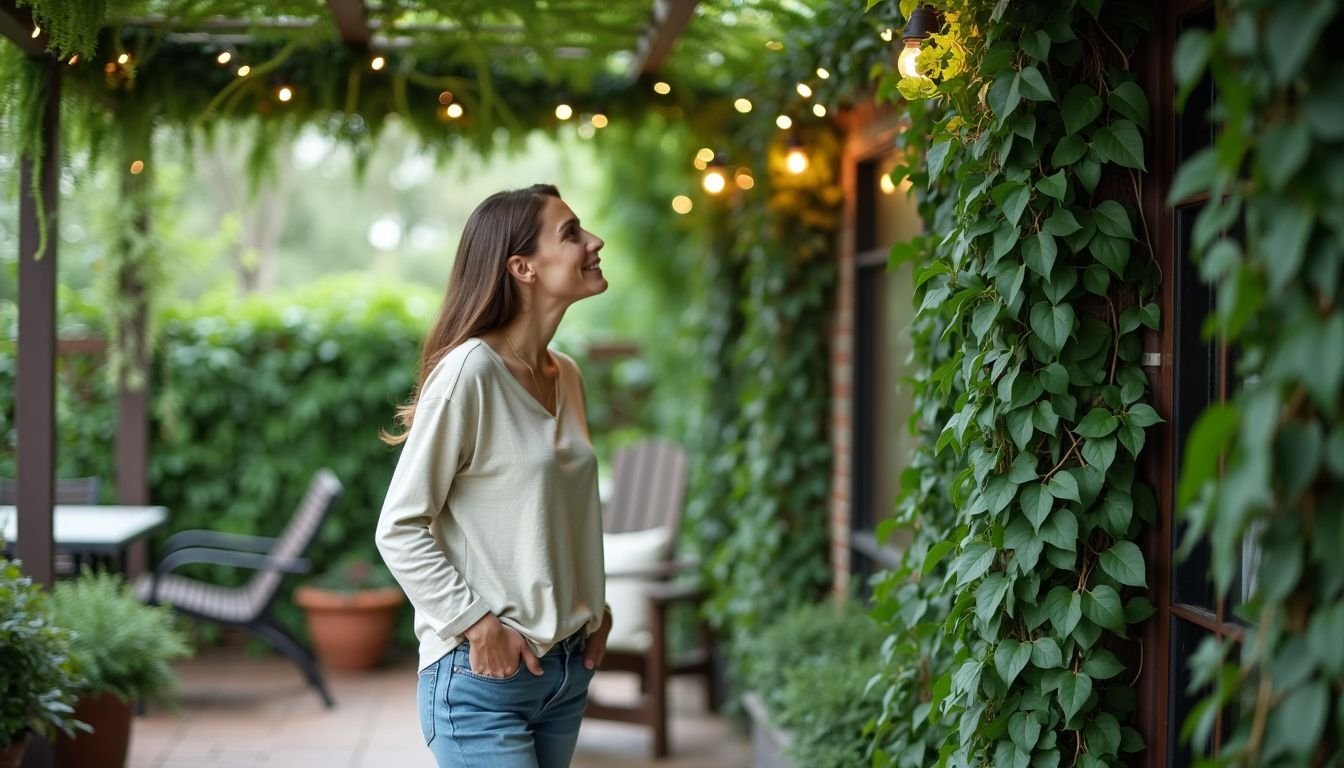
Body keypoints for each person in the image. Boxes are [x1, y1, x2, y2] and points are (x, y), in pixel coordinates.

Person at [375, 183, 613, 768]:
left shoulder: (569, 376)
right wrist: (477, 625)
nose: (594, 241)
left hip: (565, 673)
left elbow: (563, 511)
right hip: (482, 679)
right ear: (522, 267)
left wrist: (597, 612)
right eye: (572, 233)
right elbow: (400, 527)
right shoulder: (470, 373)